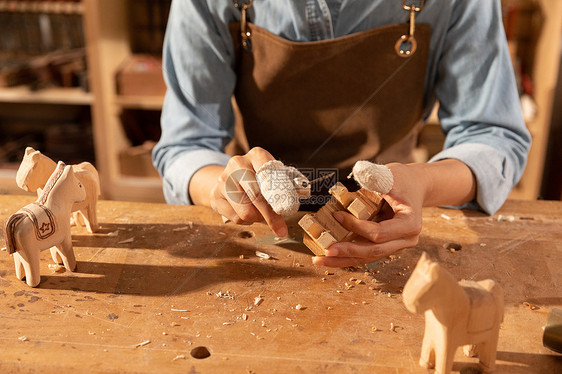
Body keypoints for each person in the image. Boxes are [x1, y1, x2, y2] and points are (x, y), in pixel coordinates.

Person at [153, 0, 531, 268]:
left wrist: (424, 182)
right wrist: (225, 188)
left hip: (390, 213)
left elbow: (493, 136)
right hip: (264, 226)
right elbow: (188, 145)